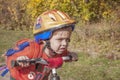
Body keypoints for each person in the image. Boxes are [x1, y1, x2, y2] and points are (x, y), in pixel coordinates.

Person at [6, 10, 78, 80]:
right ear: (44, 39)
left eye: (67, 39)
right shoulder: (31, 49)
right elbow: (10, 59)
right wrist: (19, 60)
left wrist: (71, 55)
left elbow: (65, 55)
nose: (65, 44)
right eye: (60, 39)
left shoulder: (59, 51)